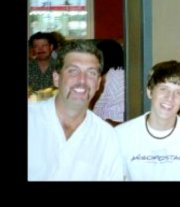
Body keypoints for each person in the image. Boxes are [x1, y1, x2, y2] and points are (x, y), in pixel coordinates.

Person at [28, 40, 124, 181]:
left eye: (91, 73)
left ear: (98, 83)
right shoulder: (31, 120)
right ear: (56, 78)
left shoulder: (106, 136)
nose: (82, 80)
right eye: (73, 71)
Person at [115, 60, 180, 181]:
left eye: (178, 92)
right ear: (150, 91)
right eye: (164, 89)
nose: (170, 97)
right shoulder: (120, 135)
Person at [91, 39, 125, 126]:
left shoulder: (107, 77)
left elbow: (99, 105)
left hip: (108, 121)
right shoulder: (125, 73)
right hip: (124, 120)